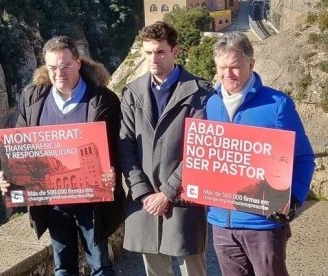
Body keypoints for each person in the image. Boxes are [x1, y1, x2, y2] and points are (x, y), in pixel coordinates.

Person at [0, 35, 125, 276]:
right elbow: (19, 146)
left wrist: (113, 173)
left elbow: (119, 148)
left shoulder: (103, 100)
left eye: (65, 66)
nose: (59, 73)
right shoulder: (33, 99)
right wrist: (8, 176)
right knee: (63, 267)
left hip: (93, 201)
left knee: (100, 265)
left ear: (78, 62)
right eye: (53, 67)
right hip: (55, 203)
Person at [206, 31, 315, 276]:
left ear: (251, 64)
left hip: (263, 223)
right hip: (222, 223)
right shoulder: (210, 104)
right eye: (222, 67)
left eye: (234, 67)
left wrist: (295, 198)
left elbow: (304, 158)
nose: (227, 74)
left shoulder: (277, 104)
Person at [118, 21, 212, 276]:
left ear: (175, 51)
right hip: (145, 201)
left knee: (193, 269)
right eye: (148, 52)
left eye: (160, 51)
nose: (153, 59)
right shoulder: (132, 93)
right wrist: (143, 192)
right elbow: (125, 146)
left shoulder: (200, 93)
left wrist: (167, 193)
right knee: (156, 272)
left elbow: (200, 150)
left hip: (183, 200)